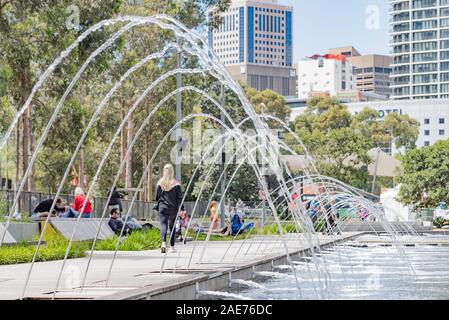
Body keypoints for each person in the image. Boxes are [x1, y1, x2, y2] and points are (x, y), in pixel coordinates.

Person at [155, 163, 184, 254]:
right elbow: (179, 198)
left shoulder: (160, 183)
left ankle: (163, 243)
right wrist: (182, 209)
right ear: (172, 171)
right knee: (172, 227)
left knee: (163, 225)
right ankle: (171, 247)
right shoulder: (176, 184)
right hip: (173, 208)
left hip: (162, 207)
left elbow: (156, 197)